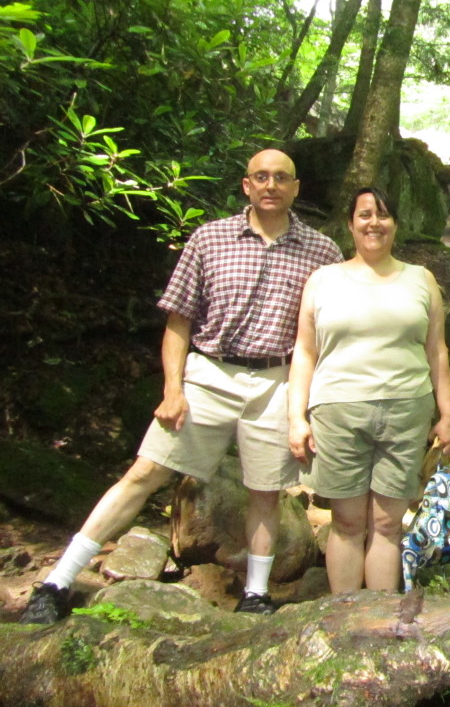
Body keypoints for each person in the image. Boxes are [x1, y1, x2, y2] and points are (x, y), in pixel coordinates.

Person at [20, 149, 342, 624]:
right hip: (208, 374)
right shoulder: (208, 239)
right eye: (261, 177)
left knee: (266, 492)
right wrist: (173, 389)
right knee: (144, 474)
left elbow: (329, 330)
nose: (271, 185)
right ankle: (56, 582)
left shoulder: (322, 252)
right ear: (246, 185)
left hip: (278, 380)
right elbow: (178, 321)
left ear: (296, 188)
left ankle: (255, 595)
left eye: (281, 178)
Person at [288, 186, 450, 593]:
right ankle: (345, 616)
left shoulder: (421, 279)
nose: (374, 223)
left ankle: (381, 619)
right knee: (346, 523)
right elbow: (304, 351)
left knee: (386, 525)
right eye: (364, 215)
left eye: (383, 215)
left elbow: (437, 351)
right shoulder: (323, 279)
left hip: (406, 411)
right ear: (350, 224)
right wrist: (296, 416)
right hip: (338, 411)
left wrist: (447, 413)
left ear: (396, 225)